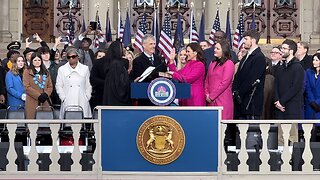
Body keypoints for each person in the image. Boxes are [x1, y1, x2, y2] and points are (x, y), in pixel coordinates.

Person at [274, 39, 304, 145]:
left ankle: (293, 160)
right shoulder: (280, 66)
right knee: (280, 138)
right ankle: (281, 160)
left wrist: (281, 101)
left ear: (291, 51)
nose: (281, 50)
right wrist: (277, 100)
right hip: (279, 107)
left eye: (284, 48)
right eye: (281, 48)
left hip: (292, 107)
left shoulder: (298, 67)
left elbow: (295, 88)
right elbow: (276, 85)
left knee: (292, 137)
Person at [232, 30, 266, 120]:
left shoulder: (259, 57)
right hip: (241, 102)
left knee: (250, 131)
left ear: (253, 40)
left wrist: (239, 93)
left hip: (251, 103)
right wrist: (235, 91)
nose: (244, 41)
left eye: (246, 39)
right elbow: (238, 76)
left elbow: (252, 79)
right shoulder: (246, 57)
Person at [130, 34, 167, 105]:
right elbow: (138, 77)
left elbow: (164, 73)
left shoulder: (160, 59)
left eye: (154, 44)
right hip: (145, 95)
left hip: (160, 95)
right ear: (144, 45)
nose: (153, 46)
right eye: (151, 44)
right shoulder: (138, 61)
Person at [56, 48, 92, 119]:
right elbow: (58, 85)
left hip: (82, 99)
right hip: (68, 99)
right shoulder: (62, 69)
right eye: (69, 57)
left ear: (78, 57)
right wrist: (63, 98)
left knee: (82, 122)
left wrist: (87, 97)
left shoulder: (85, 68)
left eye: (73, 56)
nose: (71, 58)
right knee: (68, 121)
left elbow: (88, 84)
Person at [205, 40, 235, 119]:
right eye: (215, 48)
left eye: (217, 49)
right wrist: (207, 94)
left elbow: (225, 83)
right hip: (210, 101)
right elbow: (207, 80)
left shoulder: (229, 63)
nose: (215, 50)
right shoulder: (212, 63)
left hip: (222, 100)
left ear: (224, 50)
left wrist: (211, 96)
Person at [23, 52, 53, 119]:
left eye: (39, 60)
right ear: (32, 61)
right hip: (32, 101)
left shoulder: (46, 72)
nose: (37, 62)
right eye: (35, 60)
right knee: (32, 122)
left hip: (45, 100)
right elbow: (27, 86)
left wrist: (46, 94)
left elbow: (50, 86)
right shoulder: (27, 71)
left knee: (46, 123)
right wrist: (38, 96)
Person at [102, 41, 131, 106]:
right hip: (116, 102)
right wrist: (130, 81)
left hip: (111, 98)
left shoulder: (112, 63)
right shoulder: (116, 64)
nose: (124, 49)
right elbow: (119, 84)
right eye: (122, 47)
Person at [305, 53, 320, 142]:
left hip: (318, 105)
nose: (314, 62)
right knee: (310, 131)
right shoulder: (308, 72)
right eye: (313, 60)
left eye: (316, 60)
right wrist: (312, 101)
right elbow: (307, 88)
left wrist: (317, 102)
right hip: (310, 105)